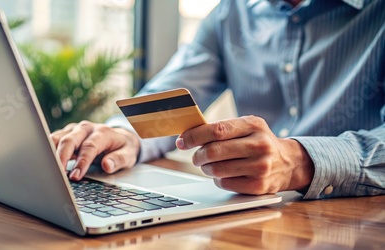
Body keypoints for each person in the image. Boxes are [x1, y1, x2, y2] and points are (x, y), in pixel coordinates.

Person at [50, 0, 385, 199]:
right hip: (254, 222)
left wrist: (301, 161)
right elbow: (171, 96)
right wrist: (123, 134)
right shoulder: (232, 11)